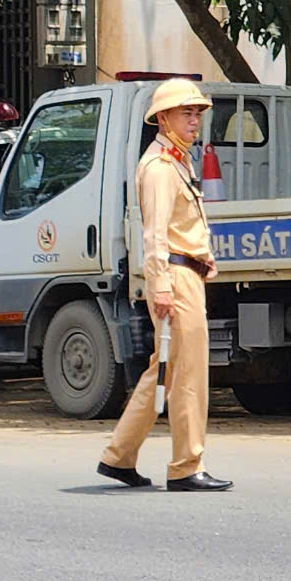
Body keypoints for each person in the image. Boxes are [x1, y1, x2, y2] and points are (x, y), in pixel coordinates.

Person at [98, 79, 232, 491]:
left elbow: (178, 225)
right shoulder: (159, 168)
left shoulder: (176, 161)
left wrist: (200, 252)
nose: (195, 120)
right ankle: (186, 466)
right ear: (163, 118)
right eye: (186, 113)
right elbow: (154, 234)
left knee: (167, 369)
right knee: (188, 373)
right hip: (173, 279)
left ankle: (119, 456)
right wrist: (160, 287)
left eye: (197, 113)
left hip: (183, 272)